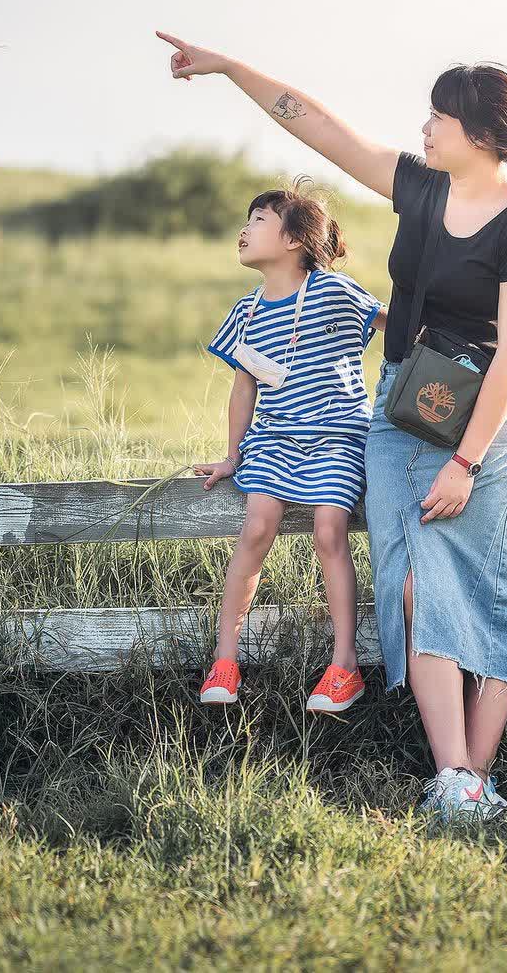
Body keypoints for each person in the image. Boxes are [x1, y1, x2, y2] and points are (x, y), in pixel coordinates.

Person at [157, 29, 507, 828]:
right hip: (397, 415)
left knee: (484, 594)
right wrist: (232, 67)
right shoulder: (417, 189)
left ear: (479, 133)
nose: (423, 131)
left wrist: (468, 465)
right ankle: (457, 780)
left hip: (479, 424)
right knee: (414, 592)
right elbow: (318, 126)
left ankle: (467, 778)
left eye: (437, 119)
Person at [193, 178, 387, 715]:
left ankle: (344, 665)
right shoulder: (247, 311)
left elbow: (396, 325)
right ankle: (225, 659)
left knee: (330, 528)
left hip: (337, 435)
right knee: (256, 525)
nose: (244, 228)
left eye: (258, 220)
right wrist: (233, 455)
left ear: (295, 240)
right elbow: (243, 387)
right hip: (274, 440)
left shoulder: (332, 291)